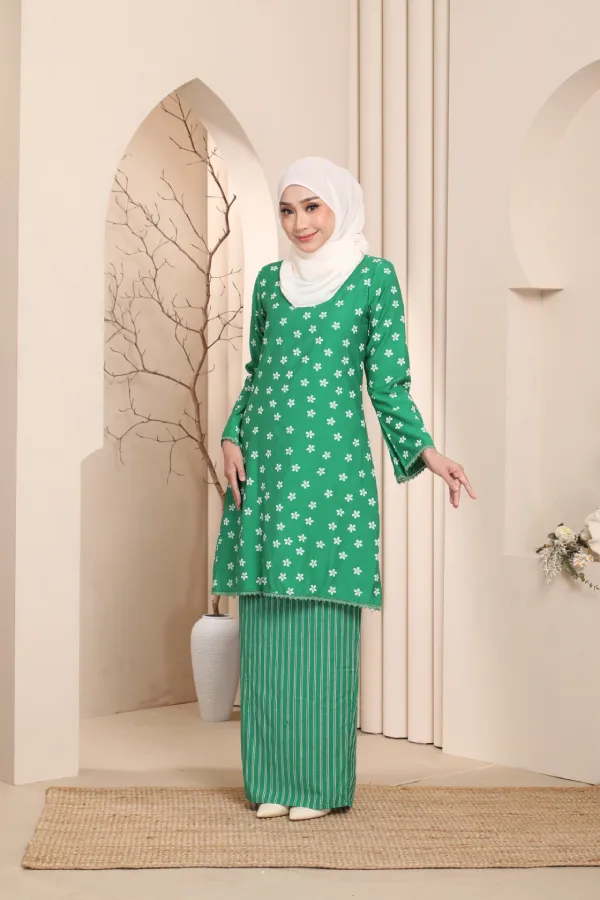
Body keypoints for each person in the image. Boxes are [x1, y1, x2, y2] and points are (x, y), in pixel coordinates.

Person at [211, 156, 476, 822]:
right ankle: (272, 781)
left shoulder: (372, 278)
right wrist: (232, 434)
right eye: (287, 210)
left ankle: (319, 785)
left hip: (331, 477)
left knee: (322, 633)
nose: (299, 223)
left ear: (339, 207)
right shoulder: (269, 282)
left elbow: (387, 381)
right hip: (265, 471)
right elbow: (257, 373)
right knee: (267, 633)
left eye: (312, 207)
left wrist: (427, 452)